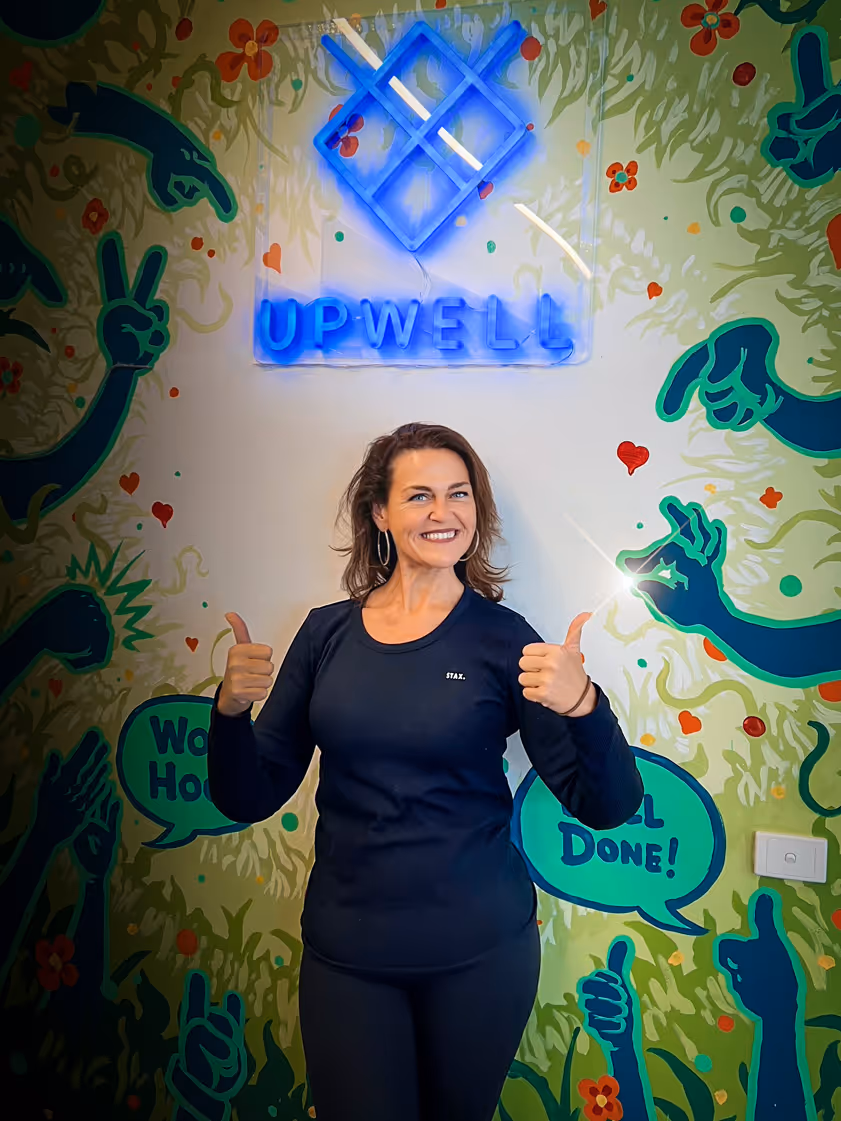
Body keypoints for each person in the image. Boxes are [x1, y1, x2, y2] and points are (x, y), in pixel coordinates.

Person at [207, 422, 643, 1121]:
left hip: (479, 956)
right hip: (347, 957)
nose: (443, 512)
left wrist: (584, 704)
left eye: (458, 493)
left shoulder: (505, 639)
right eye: (419, 495)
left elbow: (607, 805)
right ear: (380, 513)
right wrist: (229, 712)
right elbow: (246, 795)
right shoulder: (324, 634)